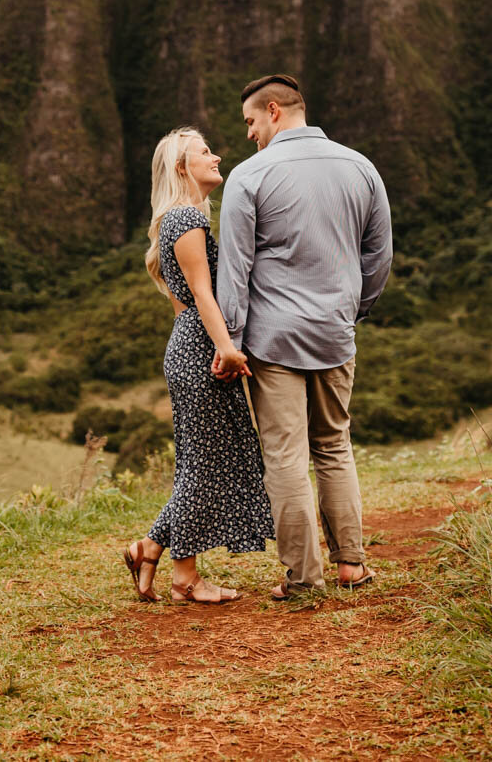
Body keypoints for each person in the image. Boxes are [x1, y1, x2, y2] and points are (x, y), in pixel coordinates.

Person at [217, 74, 392, 599]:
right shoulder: (360, 168)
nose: (248, 134)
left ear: (273, 111)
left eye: (249, 121)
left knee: (286, 455)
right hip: (335, 334)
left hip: (273, 343)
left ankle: (303, 577)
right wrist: (350, 313)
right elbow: (378, 257)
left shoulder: (249, 177)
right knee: (334, 444)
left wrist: (231, 341)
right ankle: (351, 565)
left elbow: (236, 271)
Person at [122, 127, 275, 604]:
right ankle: (184, 578)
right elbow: (201, 295)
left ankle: (149, 549)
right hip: (202, 349)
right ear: (181, 168)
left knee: (202, 462)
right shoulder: (185, 218)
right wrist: (226, 347)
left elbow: (180, 304)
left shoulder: (179, 218)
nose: (216, 156)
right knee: (203, 465)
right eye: (204, 152)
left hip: (190, 344)